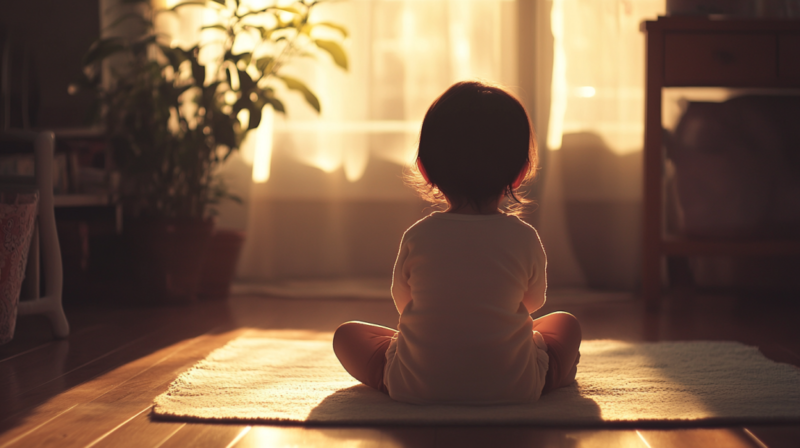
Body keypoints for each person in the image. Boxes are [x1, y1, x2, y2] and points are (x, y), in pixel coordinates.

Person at [333, 80, 582, 404]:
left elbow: (404, 304)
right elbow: (532, 304)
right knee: (566, 324)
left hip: (416, 387)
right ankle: (552, 375)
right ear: (520, 173)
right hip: (513, 388)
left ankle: (397, 376)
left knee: (347, 335)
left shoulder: (418, 236)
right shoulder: (524, 237)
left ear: (424, 169)